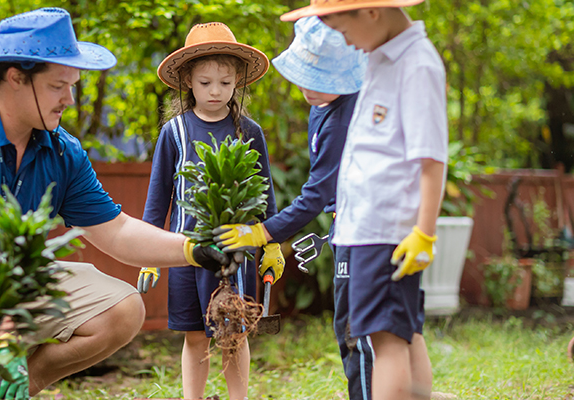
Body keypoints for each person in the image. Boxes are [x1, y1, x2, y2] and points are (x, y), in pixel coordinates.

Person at [0, 8, 232, 400]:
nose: (70, 98)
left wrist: (193, 248)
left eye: (74, 85)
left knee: (123, 309)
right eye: (57, 86)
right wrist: (5, 341)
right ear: (16, 78)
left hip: (4, 275)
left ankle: (3, 393)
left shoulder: (60, 149)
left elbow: (117, 231)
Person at [280, 1, 448, 399]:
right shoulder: (379, 58)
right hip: (362, 227)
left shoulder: (417, 64)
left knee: (382, 340)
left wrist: (424, 232)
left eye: (341, 30)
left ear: (371, 14)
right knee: (403, 334)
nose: (345, 43)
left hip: (383, 228)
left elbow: (431, 157)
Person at [213, 16, 373, 399]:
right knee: (348, 327)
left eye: (319, 79)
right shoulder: (321, 105)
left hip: (368, 229)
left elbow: (316, 192)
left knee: (358, 333)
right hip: (345, 225)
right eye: (305, 75)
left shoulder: (345, 112)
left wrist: (265, 232)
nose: (307, 87)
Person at [137, 22, 282, 400]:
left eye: (225, 82)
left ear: (238, 82)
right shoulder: (174, 132)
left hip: (238, 254)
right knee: (194, 333)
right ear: (187, 81)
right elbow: (159, 198)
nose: (215, 91)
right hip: (186, 252)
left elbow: (264, 192)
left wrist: (272, 245)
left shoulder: (248, 131)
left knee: (234, 333)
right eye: (205, 83)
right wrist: (148, 257)